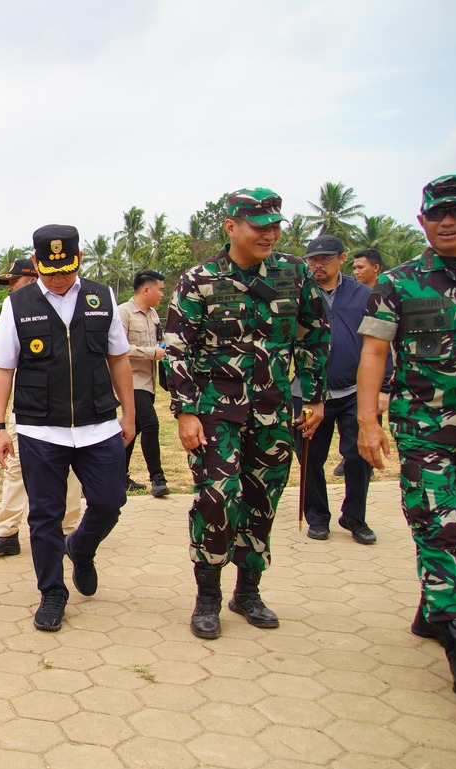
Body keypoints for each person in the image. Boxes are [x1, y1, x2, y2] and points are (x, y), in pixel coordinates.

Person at [163, 187, 328, 640]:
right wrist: (185, 411)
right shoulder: (200, 279)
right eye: (260, 225)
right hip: (216, 410)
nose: (270, 233)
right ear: (231, 226)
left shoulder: (295, 273)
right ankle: (208, 596)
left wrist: (313, 398)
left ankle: (247, 591)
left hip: (274, 409)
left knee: (262, 501)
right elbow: (176, 350)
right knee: (217, 498)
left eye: (275, 225)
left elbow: (314, 336)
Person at [357, 174, 456, 693]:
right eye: (436, 214)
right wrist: (369, 421)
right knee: (438, 524)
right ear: (422, 220)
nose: (446, 221)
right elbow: (374, 352)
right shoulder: (400, 283)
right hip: (425, 428)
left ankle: (432, 607)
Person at [0, 225, 136, 632]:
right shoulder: (17, 304)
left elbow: (119, 359)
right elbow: (3, 368)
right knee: (45, 516)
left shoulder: (101, 297)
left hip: (99, 423)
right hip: (40, 429)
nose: (58, 278)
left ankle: (81, 549)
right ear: (36, 263)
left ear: (79, 259)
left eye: (66, 269)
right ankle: (52, 592)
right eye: (50, 271)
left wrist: (129, 414)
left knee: (110, 501)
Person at [0, 258, 83, 556]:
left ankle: (69, 531)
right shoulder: (16, 311)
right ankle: (6, 533)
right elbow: (4, 365)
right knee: (14, 468)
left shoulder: (70, 309)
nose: (10, 287)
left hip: (67, 410)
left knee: (68, 472)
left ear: (32, 277)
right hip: (25, 411)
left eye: (13, 281)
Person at [289, 234, 386, 545]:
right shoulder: (297, 294)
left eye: (326, 258)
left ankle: (355, 517)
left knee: (359, 456)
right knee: (310, 457)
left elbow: (381, 344)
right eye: (313, 260)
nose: (318, 265)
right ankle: (317, 517)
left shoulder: (364, 295)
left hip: (354, 391)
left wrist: (383, 388)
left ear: (342, 258)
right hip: (306, 392)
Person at [119, 269, 170, 497]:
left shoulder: (153, 315)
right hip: (130, 381)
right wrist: (152, 353)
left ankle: (119, 477)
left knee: (135, 429)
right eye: (160, 289)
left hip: (148, 382)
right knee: (151, 424)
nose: (162, 294)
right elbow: (119, 349)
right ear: (146, 289)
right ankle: (157, 479)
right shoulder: (124, 313)